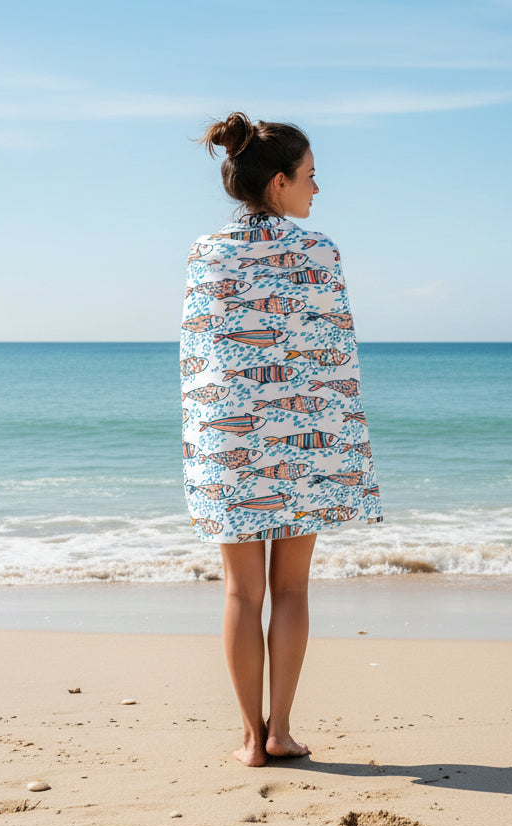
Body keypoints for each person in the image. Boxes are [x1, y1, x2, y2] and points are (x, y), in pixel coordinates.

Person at [181, 112, 383, 766]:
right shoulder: (319, 251)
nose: (317, 188)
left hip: (229, 439)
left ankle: (250, 739)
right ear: (279, 182)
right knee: (292, 589)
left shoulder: (205, 252)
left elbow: (199, 358)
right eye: (310, 176)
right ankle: (281, 731)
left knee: (241, 593)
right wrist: (344, 449)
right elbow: (336, 357)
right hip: (305, 438)